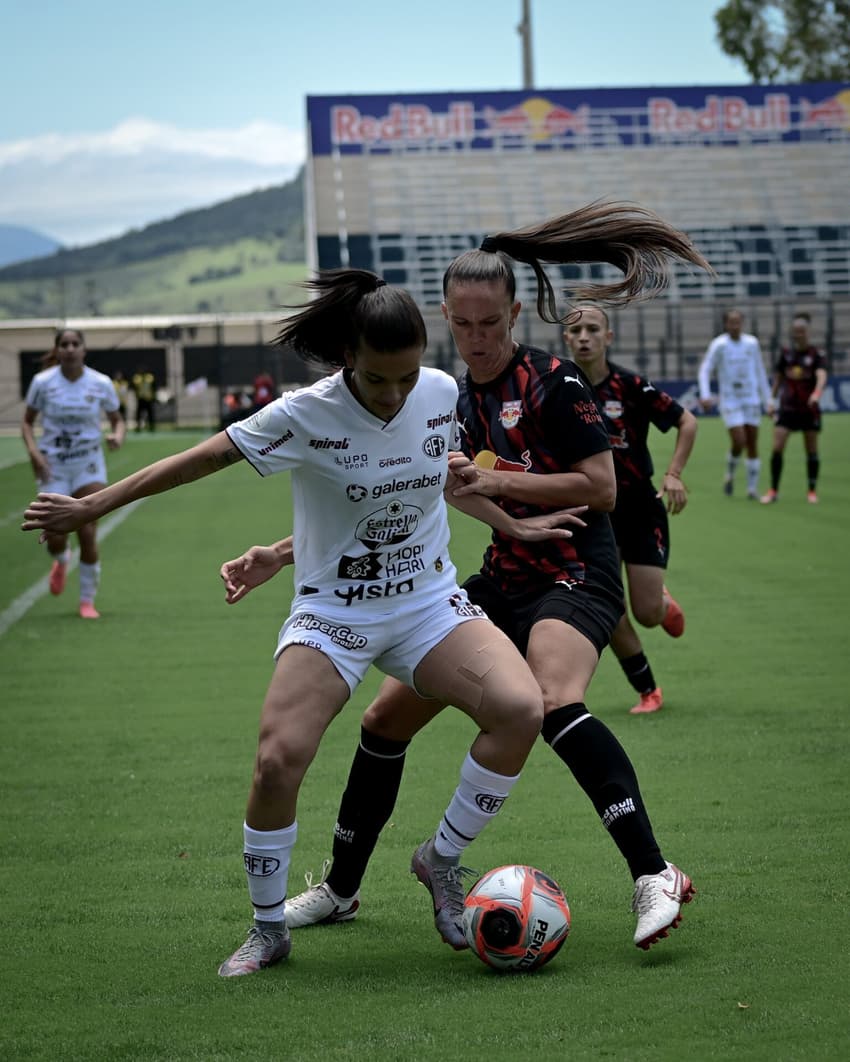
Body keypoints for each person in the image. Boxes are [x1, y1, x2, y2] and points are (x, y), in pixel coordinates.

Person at [22, 269, 587, 979]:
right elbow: (198, 461)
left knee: (520, 708)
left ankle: (440, 859)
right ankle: (268, 930)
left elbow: (425, 486)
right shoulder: (302, 413)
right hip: (333, 613)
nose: (394, 393)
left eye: (406, 376)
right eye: (378, 379)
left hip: (425, 604)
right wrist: (90, 506)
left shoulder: (441, 391)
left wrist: (513, 524)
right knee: (277, 760)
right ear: (348, 356)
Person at [221, 201, 710, 953]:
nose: (478, 338)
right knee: (384, 722)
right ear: (446, 318)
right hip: (499, 575)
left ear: (514, 314)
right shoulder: (442, 393)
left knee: (550, 698)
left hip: (575, 566)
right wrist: (283, 553)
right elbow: (396, 496)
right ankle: (341, 890)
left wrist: (498, 484)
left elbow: (602, 489)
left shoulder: (553, 383)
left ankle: (653, 872)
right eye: (464, 324)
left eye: (491, 323)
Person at [563, 303, 698, 714]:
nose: (583, 337)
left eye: (592, 329)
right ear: (566, 338)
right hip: (591, 514)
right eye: (575, 331)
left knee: (647, 612)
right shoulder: (557, 388)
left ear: (608, 337)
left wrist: (673, 474)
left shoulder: (631, 386)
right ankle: (648, 690)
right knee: (608, 606)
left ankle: (660, 603)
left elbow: (687, 421)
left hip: (639, 508)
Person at [21, 328, 125, 619]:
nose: (69, 349)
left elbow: (117, 420)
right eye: (64, 344)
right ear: (57, 350)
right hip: (53, 466)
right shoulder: (42, 383)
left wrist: (117, 436)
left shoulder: (100, 383)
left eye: (74, 343)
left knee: (87, 530)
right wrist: (34, 454)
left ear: (83, 349)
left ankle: (87, 601)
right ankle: (61, 558)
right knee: (54, 534)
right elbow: (27, 423)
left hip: (88, 465)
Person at [698, 309, 774, 499]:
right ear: (726, 324)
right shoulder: (719, 344)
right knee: (739, 440)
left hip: (751, 398)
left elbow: (760, 371)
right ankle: (730, 474)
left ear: (742, 323)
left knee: (752, 442)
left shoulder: (751, 343)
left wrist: (769, 400)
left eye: (738, 322)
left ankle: (752, 489)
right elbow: (705, 369)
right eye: (731, 322)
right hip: (731, 400)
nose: (735, 326)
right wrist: (705, 394)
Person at [760, 312, 828, 505]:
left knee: (811, 450)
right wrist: (771, 401)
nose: (799, 335)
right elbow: (778, 380)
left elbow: (821, 376)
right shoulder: (786, 355)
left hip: (809, 409)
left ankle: (812, 491)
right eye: (796, 331)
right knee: (777, 448)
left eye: (802, 331)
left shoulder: (816, 355)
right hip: (788, 408)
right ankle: (773, 490)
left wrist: (816, 394)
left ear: (808, 332)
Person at [132, 365, 156, 432]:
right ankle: (138, 427)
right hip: (140, 398)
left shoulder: (150, 377)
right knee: (139, 414)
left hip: (148, 398)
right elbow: (134, 387)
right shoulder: (137, 377)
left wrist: (153, 396)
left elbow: (154, 387)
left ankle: (151, 427)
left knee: (150, 413)